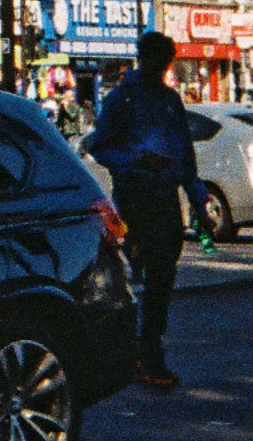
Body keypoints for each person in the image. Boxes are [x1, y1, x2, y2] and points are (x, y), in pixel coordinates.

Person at [86, 30, 210, 389]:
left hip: (166, 197)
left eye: (165, 62)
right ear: (145, 59)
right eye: (157, 61)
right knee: (145, 275)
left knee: (162, 275)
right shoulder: (122, 99)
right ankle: (142, 353)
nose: (161, 68)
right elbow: (99, 147)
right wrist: (134, 160)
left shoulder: (171, 101)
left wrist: (198, 199)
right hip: (136, 196)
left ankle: (146, 348)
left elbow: (186, 156)